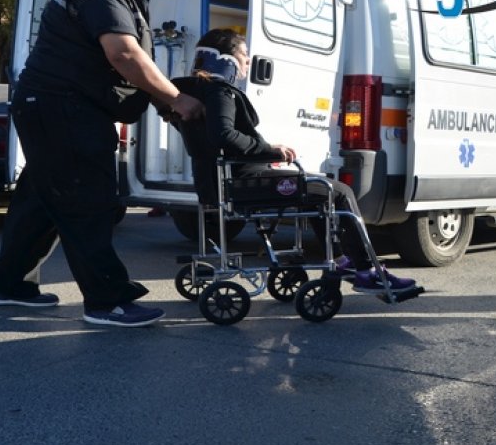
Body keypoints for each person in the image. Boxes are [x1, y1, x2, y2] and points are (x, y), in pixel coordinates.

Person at [0, 0, 204, 327]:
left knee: (41, 202)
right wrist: (175, 99)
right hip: (64, 110)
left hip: (50, 107)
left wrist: (161, 102)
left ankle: (9, 284)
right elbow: (124, 54)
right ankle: (107, 301)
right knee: (87, 201)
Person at [170, 29, 416, 293]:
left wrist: (266, 150)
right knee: (338, 191)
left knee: (319, 192)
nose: (248, 60)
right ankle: (366, 270)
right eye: (244, 54)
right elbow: (224, 136)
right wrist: (270, 151)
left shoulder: (188, 94)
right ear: (226, 58)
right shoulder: (220, 92)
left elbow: (211, 138)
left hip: (219, 183)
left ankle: (341, 260)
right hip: (244, 182)